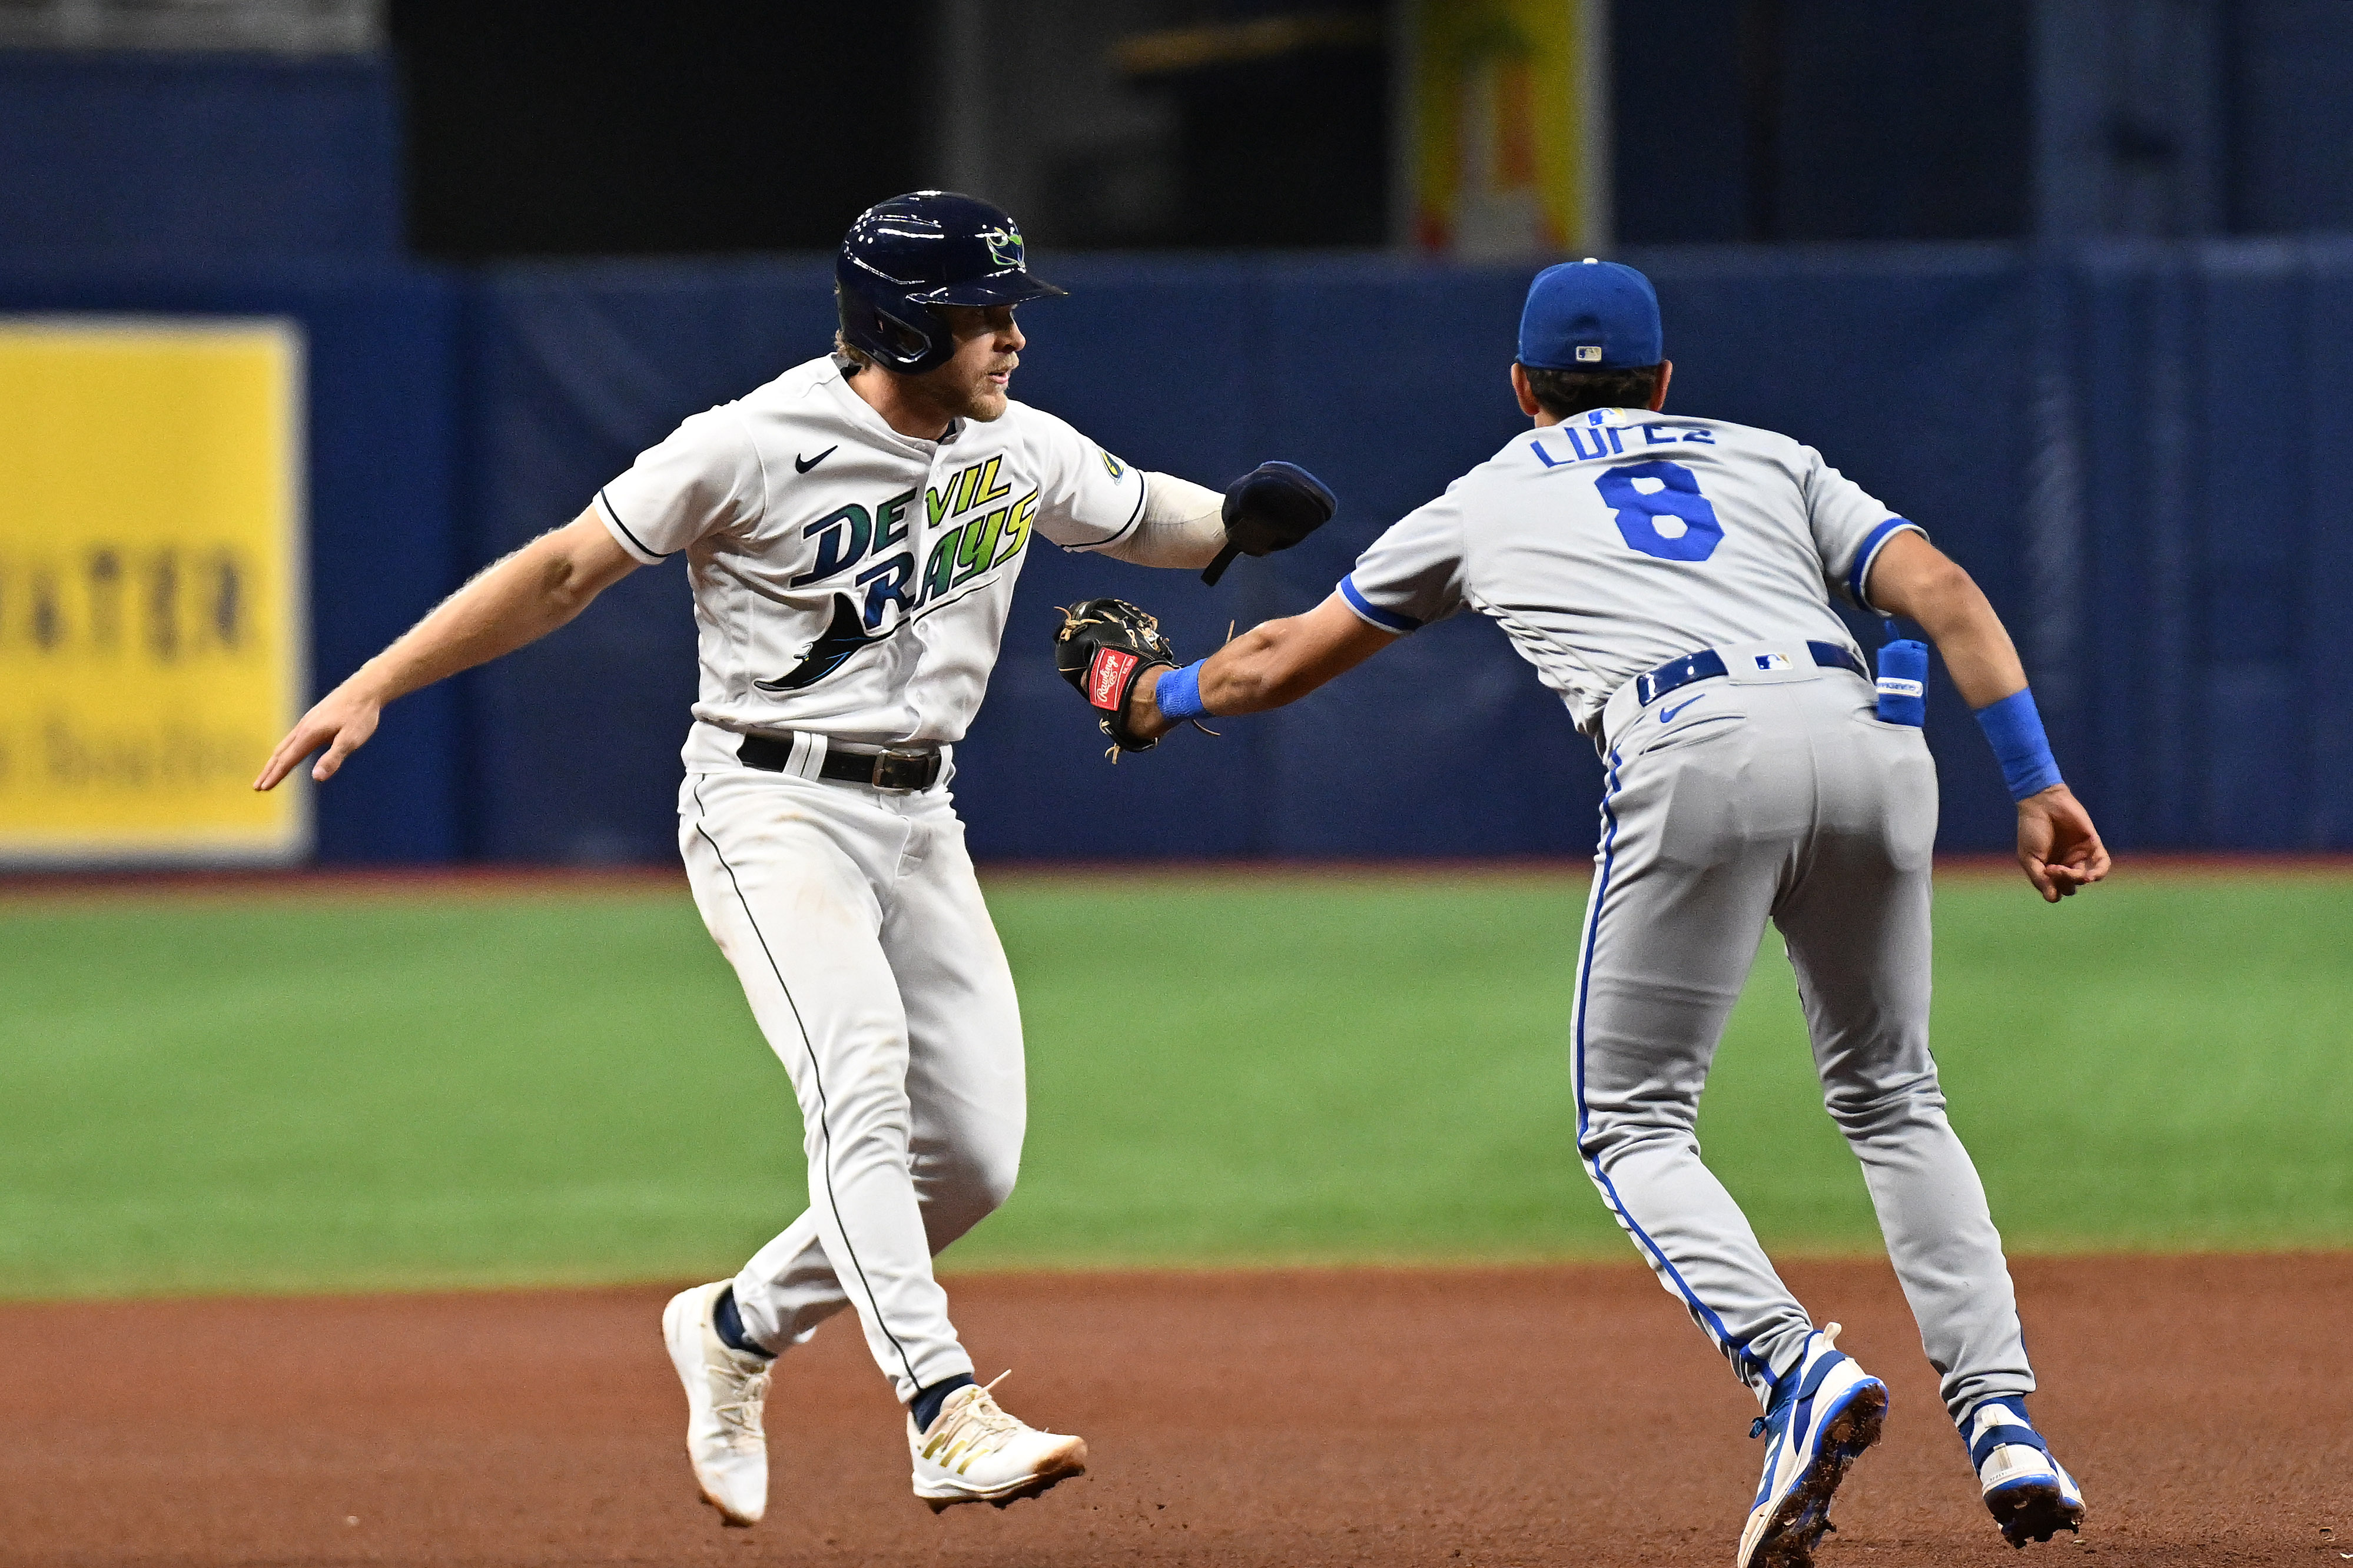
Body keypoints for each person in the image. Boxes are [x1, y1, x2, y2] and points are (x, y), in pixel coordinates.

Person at [254, 191, 1330, 1529]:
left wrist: (1238, 522)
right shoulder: (748, 445)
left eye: (1008, 314)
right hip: (769, 809)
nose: (1009, 338)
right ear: (899, 324)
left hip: (921, 819)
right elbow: (561, 572)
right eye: (981, 316)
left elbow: (1136, 515)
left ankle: (736, 1325)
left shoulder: (1019, 443)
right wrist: (379, 680)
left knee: (976, 1160)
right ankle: (944, 1409)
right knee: (860, 1081)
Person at [1053, 260, 2108, 1568]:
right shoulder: (1771, 458)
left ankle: (1795, 1371)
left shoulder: (1487, 494)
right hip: (1874, 738)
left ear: (1519, 387)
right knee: (1893, 1096)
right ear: (1666, 380)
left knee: (1632, 1125)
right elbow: (1943, 590)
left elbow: (1272, 663)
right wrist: (2036, 780)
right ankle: (2004, 1425)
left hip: (1696, 740)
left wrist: (1142, 693)